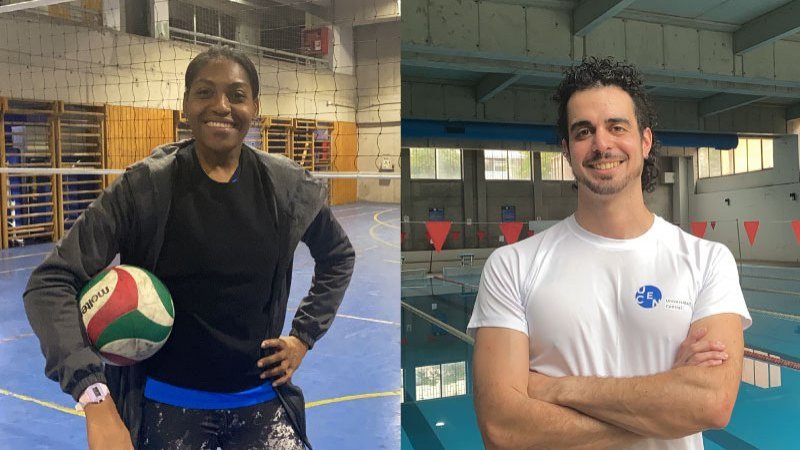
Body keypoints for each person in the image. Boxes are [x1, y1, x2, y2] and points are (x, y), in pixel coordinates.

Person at [23, 45, 355, 449]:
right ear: (185, 105)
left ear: (255, 108)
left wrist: (302, 336)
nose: (221, 105)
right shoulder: (144, 189)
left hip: (261, 400)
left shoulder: (285, 187)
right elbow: (51, 282)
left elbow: (338, 255)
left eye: (236, 95)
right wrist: (94, 396)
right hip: (166, 406)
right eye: (205, 92)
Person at [468, 57, 751, 450]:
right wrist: (669, 406)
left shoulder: (707, 261)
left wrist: (557, 388)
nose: (602, 144)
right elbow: (503, 429)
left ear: (645, 141)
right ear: (567, 149)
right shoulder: (512, 266)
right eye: (584, 131)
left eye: (617, 127)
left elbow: (711, 403)